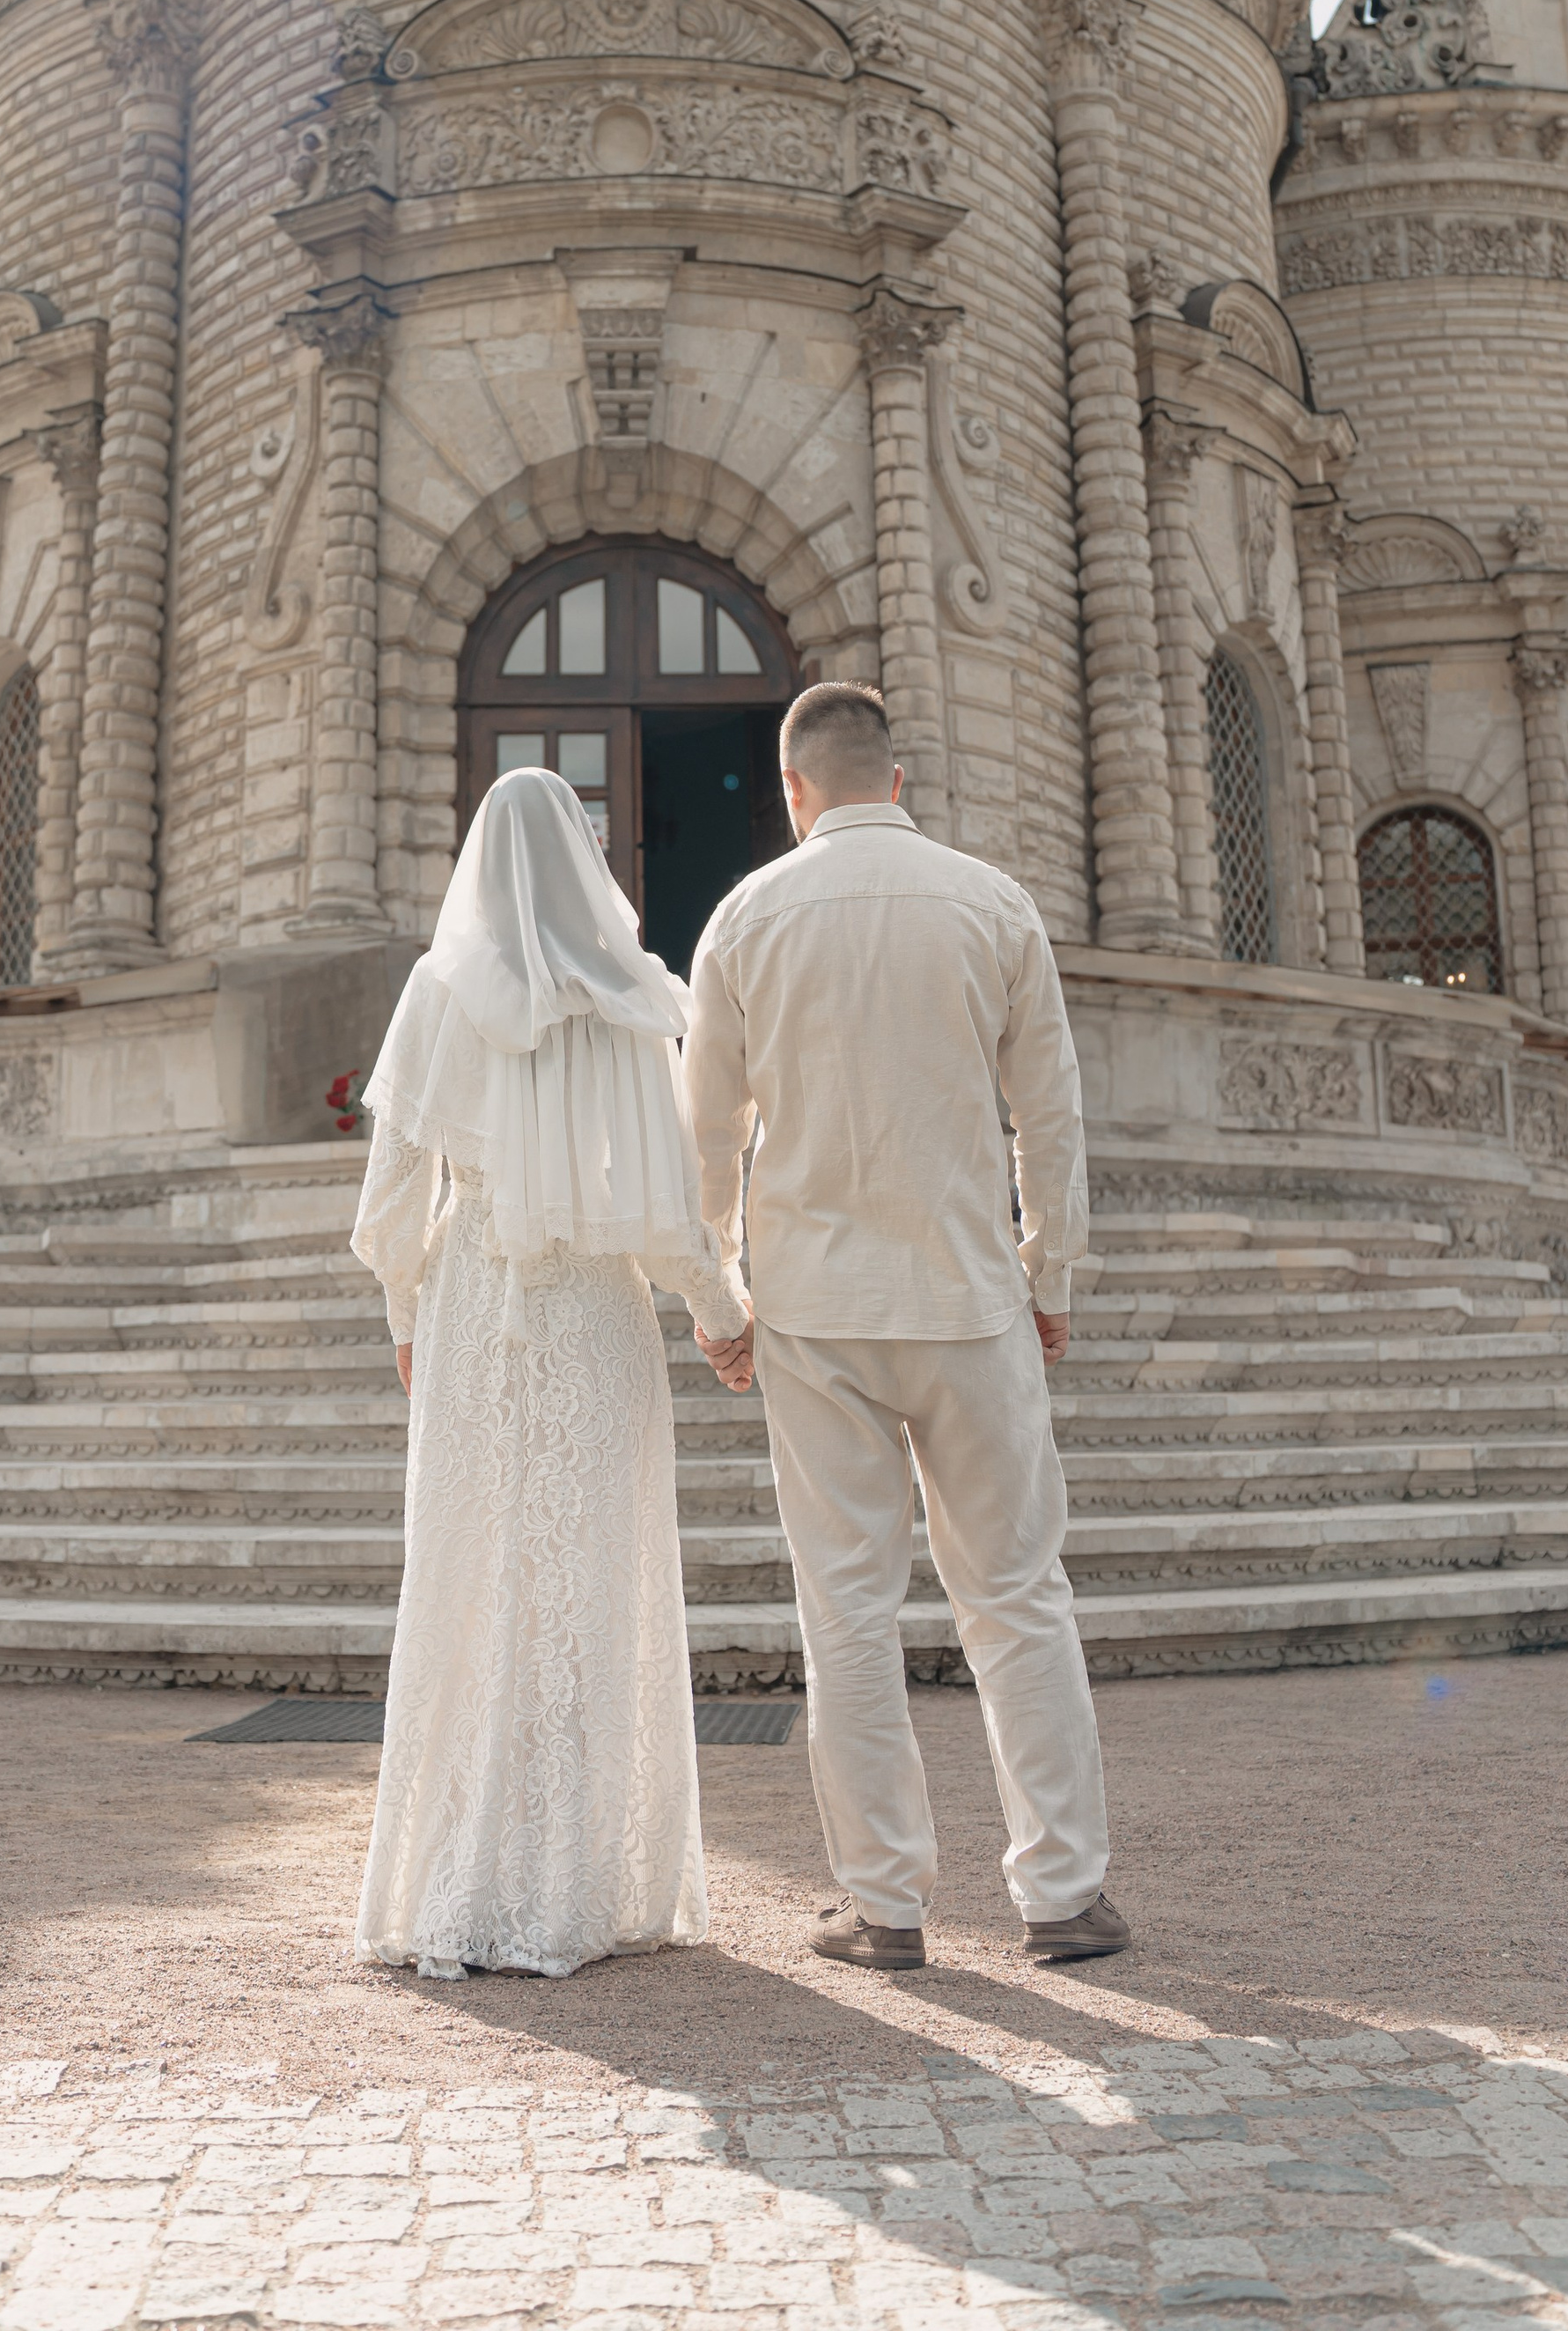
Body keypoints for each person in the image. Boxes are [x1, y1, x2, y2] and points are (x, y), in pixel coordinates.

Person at [683, 679, 1126, 1972]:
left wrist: (719, 1302)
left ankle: (884, 1907)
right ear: (896, 776)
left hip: (816, 1310)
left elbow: (702, 1138)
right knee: (1018, 1599)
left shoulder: (744, 917)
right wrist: (1053, 1279)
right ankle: (1063, 1898)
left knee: (848, 1614)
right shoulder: (992, 903)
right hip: (969, 1295)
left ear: (794, 787)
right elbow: (1051, 1117)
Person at [350, 763, 751, 1979]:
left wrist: (406, 1312)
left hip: (481, 1303)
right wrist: (723, 1312)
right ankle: (587, 1880)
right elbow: (675, 1213)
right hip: (599, 1316)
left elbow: (390, 1201)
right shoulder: (631, 997)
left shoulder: (436, 992)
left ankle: (461, 1879)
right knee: (593, 1585)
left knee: (473, 1575)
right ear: (583, 860)